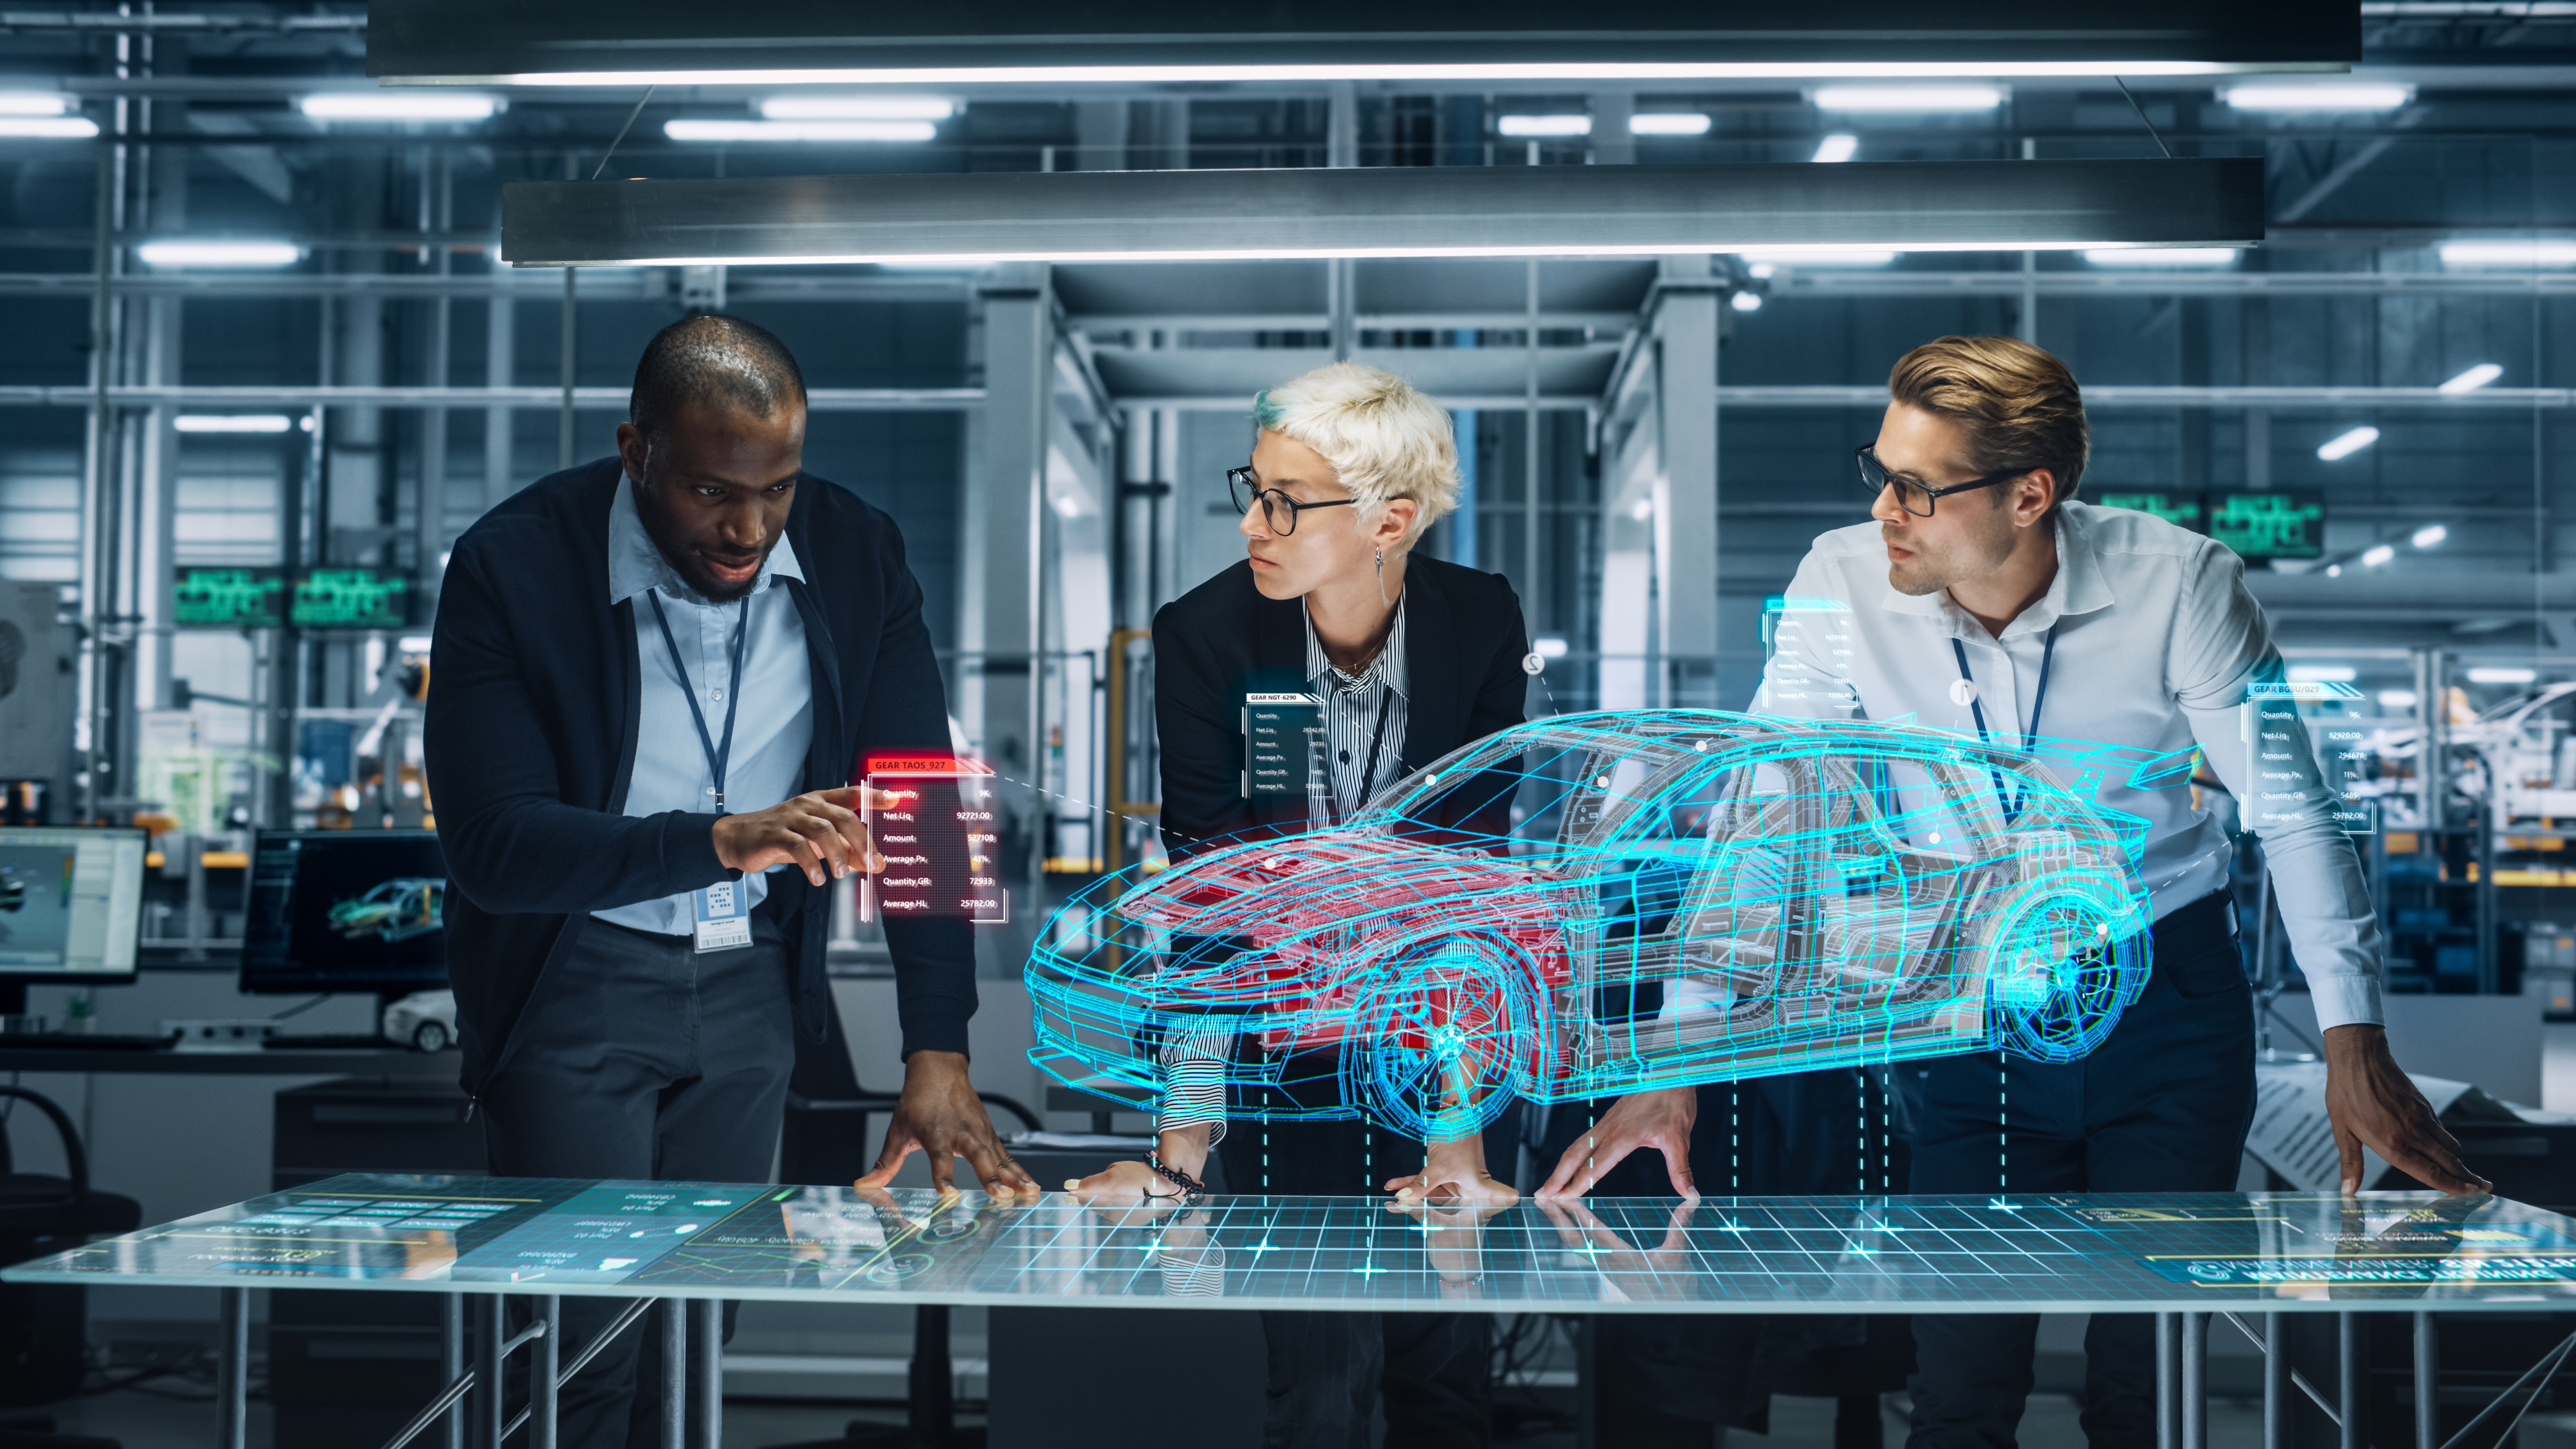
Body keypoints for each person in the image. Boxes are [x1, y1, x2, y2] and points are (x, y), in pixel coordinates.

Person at [1539, 335, 2485, 1449]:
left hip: (2163, 1004)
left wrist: (2353, 1041)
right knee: (1962, 1377)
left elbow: (2292, 810)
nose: (1885, 509)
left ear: (2030, 494)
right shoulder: (1841, 583)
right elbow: (1765, 819)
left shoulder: (2179, 584)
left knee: (2153, 1375)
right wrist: (1680, 1054)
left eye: (1917, 487)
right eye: (1879, 472)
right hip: (1962, 1010)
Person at [426, 313, 1039, 1447]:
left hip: (755, 988)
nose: (747, 527)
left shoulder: (858, 554)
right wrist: (719, 838)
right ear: (635, 451)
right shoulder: (516, 565)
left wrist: (937, 1045)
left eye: (778, 489)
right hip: (576, 981)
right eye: (711, 492)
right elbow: (495, 846)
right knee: (576, 1349)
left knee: (697, 1334)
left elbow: (924, 808)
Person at [1112, 361, 1530, 1449]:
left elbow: (1466, 890)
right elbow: (1212, 899)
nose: (1255, 522)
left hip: (1433, 1034)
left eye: (1286, 501)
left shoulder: (1479, 622)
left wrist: (1456, 1125)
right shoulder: (1208, 637)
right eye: (1251, 489)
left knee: (1445, 1370)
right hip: (1284, 1051)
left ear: (1390, 520)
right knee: (1320, 1382)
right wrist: (1179, 1152)